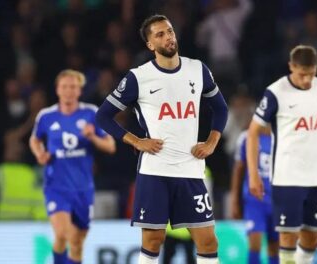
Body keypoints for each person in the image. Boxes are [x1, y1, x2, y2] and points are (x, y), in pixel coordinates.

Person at [95, 15, 228, 264]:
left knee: (209, 241)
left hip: (190, 169)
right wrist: (135, 140)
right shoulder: (138, 77)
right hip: (155, 171)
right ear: (150, 45)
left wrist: (212, 141)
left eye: (169, 31)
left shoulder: (197, 69)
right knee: (153, 241)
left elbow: (221, 109)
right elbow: (103, 116)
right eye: (160, 34)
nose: (168, 37)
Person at [246, 45, 317, 264]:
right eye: (302, 74)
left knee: (312, 239)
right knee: (287, 235)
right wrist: (254, 174)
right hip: (286, 177)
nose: (306, 80)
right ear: (291, 67)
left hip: (315, 178)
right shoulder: (276, 92)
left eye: (311, 74)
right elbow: (252, 133)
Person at [29, 69, 116, 264]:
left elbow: (110, 146)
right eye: (65, 87)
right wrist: (39, 153)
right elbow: (35, 140)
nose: (69, 91)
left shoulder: (91, 113)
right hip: (56, 187)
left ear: (79, 91)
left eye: (73, 87)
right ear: (57, 90)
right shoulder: (46, 116)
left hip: (83, 188)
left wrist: (92, 136)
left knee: (76, 242)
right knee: (63, 233)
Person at [230, 128, 279, 264]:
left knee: (274, 246)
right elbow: (238, 170)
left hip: (277, 201)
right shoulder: (246, 137)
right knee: (255, 242)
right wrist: (235, 201)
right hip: (255, 201)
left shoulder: (281, 136)